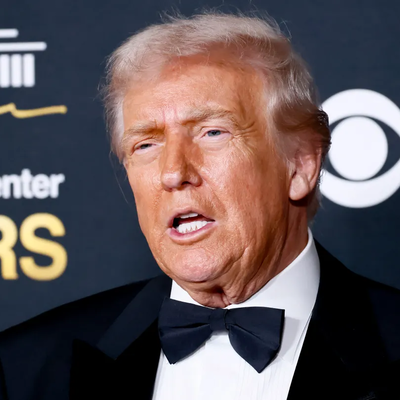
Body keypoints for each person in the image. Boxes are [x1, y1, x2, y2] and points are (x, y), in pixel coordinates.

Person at [1, 12, 399, 400]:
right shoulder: (25, 368)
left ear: (301, 164)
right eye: (146, 144)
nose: (173, 172)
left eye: (212, 132)